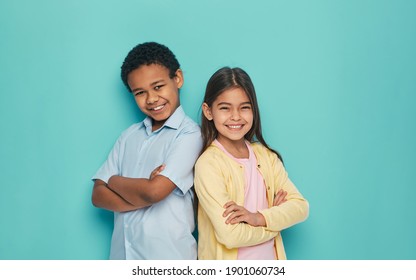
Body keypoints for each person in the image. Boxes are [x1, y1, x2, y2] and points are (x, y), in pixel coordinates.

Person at [91, 42, 202, 260]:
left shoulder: (190, 135)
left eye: (158, 86)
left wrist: (113, 181)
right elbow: (97, 195)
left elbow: (154, 191)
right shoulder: (128, 136)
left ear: (177, 79)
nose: (151, 99)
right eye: (140, 92)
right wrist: (144, 195)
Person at [194, 66, 309, 260]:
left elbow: (300, 207)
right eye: (225, 108)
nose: (236, 116)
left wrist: (258, 218)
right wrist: (275, 223)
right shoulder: (209, 164)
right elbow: (230, 235)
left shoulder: (265, 156)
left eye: (244, 107)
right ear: (208, 111)